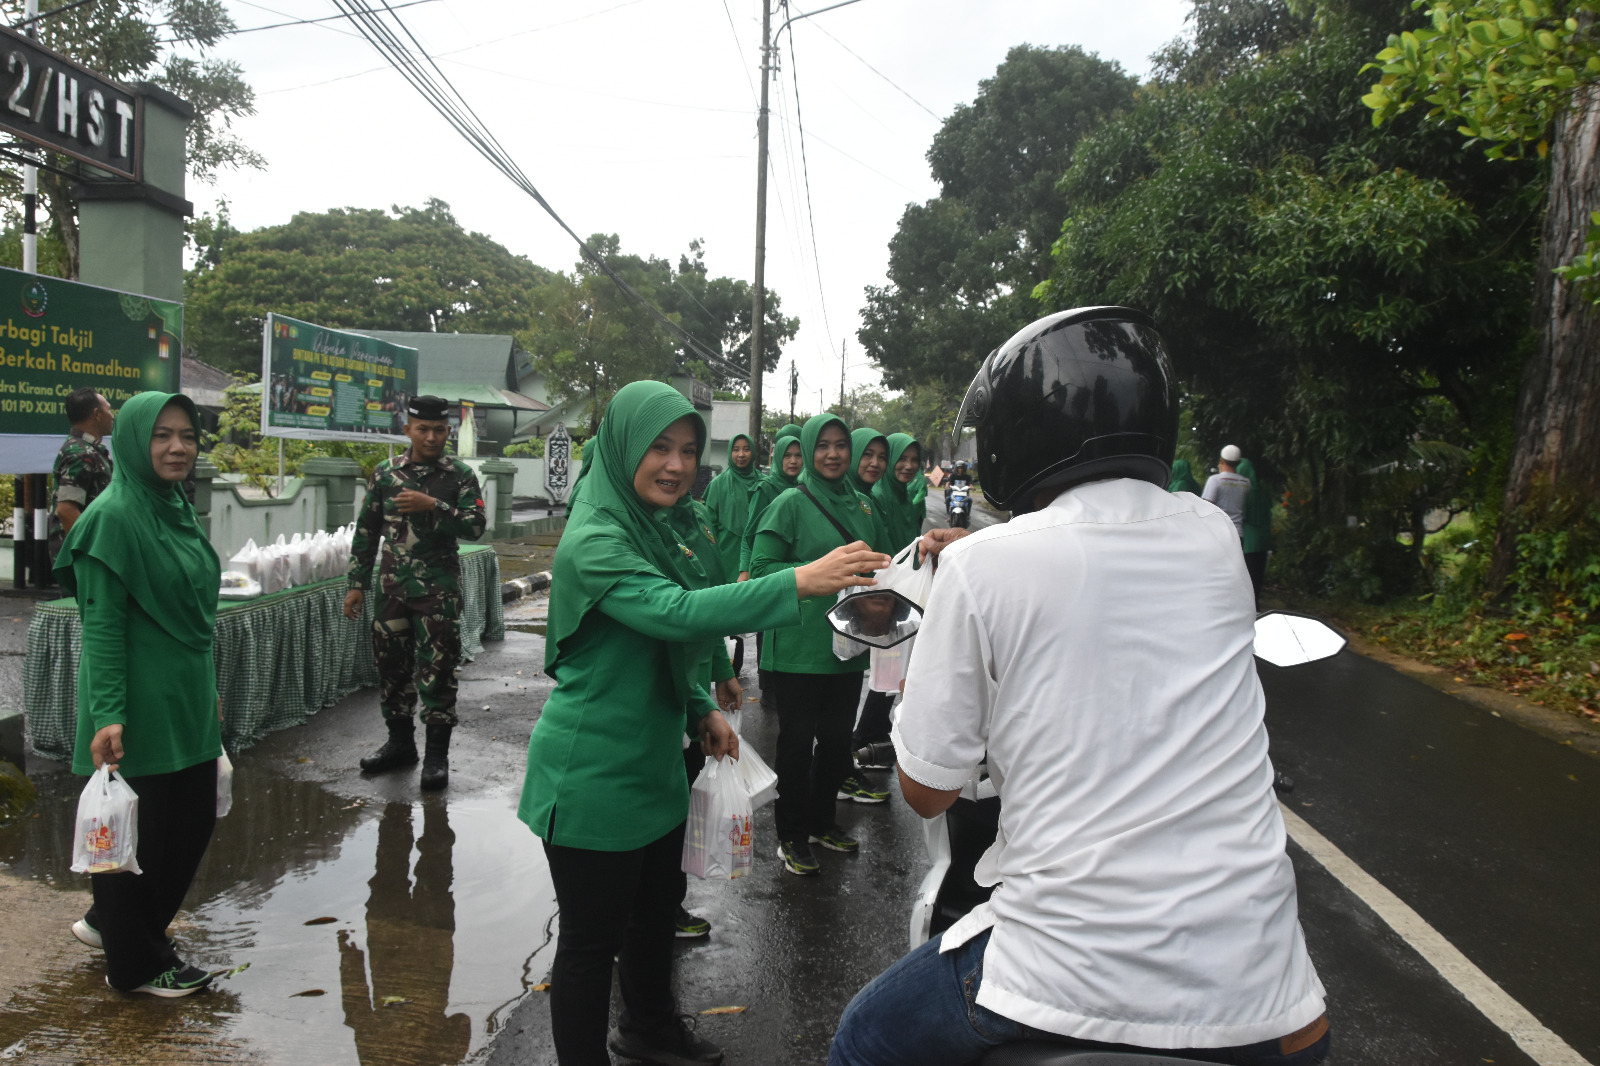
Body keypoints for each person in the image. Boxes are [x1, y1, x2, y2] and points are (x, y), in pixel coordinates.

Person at [829, 307, 1328, 1066]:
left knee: (862, 1038)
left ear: (1018, 434)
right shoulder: (1216, 540)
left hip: (1064, 970)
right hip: (1270, 997)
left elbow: (928, 791)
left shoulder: (978, 572)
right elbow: (1103, 574)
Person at [517, 381, 884, 1066]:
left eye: (688, 450)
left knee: (655, 914)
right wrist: (796, 581)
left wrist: (699, 707)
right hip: (593, 774)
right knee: (591, 946)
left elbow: (664, 644)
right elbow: (674, 613)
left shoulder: (656, 527)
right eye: (659, 447)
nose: (677, 465)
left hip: (655, 765)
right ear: (624, 447)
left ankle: (649, 1030)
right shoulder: (596, 539)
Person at [55, 391, 223, 998]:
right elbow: (101, 627)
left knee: (193, 819)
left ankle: (114, 925)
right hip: (136, 703)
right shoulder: (114, 517)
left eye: (186, 435)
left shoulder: (171, 506)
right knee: (137, 839)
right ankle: (137, 963)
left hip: (185, 697)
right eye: (161, 436)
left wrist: (209, 696)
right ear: (131, 441)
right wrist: (108, 716)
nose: (177, 447)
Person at [751, 413, 888, 875]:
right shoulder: (790, 502)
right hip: (797, 649)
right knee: (796, 744)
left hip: (846, 648)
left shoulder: (865, 507)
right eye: (823, 445)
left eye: (840, 445)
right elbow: (762, 569)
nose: (833, 454)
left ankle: (822, 821)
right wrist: (815, 574)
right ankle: (790, 835)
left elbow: (882, 567)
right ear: (809, 451)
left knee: (834, 743)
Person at [343, 395, 487, 791]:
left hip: (437, 592)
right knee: (391, 668)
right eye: (423, 429)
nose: (431, 437)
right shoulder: (385, 474)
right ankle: (400, 744)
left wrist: (432, 505)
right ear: (407, 429)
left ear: (447, 432)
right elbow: (366, 531)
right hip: (391, 589)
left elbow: (475, 526)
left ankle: (436, 758)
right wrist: (355, 585)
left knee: (437, 670)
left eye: (439, 430)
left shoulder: (459, 475)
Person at [851, 433, 923, 764]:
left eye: (914, 460)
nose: (907, 466)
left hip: (903, 588)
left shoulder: (906, 496)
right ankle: (865, 739)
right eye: (901, 459)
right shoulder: (877, 496)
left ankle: (873, 736)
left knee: (893, 665)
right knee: (887, 665)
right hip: (885, 590)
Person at [836, 427, 893, 805]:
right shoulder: (841, 500)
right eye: (865, 454)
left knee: (862, 691)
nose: (875, 463)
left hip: (867, 611)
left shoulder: (870, 502)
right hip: (832, 622)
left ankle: (845, 769)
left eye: (882, 456)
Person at [701, 431, 760, 673]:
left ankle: (759, 670)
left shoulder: (762, 485)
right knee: (728, 615)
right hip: (725, 557)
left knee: (754, 612)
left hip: (754, 557)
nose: (741, 454)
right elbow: (708, 526)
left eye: (746, 449)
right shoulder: (717, 485)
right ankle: (729, 671)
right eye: (736, 449)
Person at [48, 387, 115, 563]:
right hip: (82, 557)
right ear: (97, 414)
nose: (112, 416)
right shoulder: (80, 453)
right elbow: (66, 510)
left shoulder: (91, 450)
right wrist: (91, 553)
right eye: (109, 409)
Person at [1237, 458, 1273, 603]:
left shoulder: (1244, 494)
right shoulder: (1264, 492)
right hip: (1263, 540)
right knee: (1257, 578)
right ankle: (1255, 604)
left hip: (1248, 542)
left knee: (1246, 578)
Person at [1201, 444, 1252, 540]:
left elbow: (1206, 506)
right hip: (1238, 533)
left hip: (1217, 533)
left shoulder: (1215, 480)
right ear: (1239, 462)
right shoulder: (1246, 482)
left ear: (1221, 460)